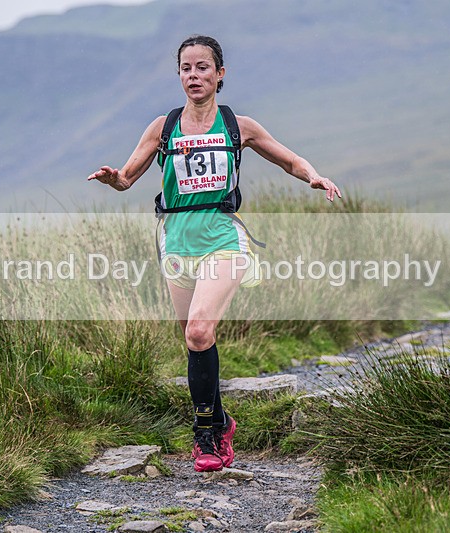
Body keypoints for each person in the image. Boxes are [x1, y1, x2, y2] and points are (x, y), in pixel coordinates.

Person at [88, 35, 341, 472]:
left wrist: (313, 176)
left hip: (223, 237)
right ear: (179, 76)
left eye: (203, 68)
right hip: (176, 241)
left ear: (220, 74)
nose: (194, 76)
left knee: (200, 332)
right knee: (192, 338)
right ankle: (222, 421)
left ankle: (205, 436)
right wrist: (113, 178)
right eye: (186, 68)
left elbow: (288, 160)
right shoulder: (162, 128)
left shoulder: (237, 125)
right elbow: (128, 178)